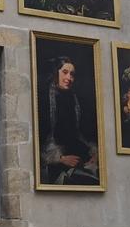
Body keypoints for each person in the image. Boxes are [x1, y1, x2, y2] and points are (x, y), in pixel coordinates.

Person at [40, 56, 99, 186]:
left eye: (72, 74)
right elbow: (40, 141)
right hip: (57, 163)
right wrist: (60, 159)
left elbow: (82, 133)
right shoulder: (43, 99)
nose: (69, 78)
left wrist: (94, 156)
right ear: (56, 73)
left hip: (80, 157)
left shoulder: (75, 98)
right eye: (65, 72)